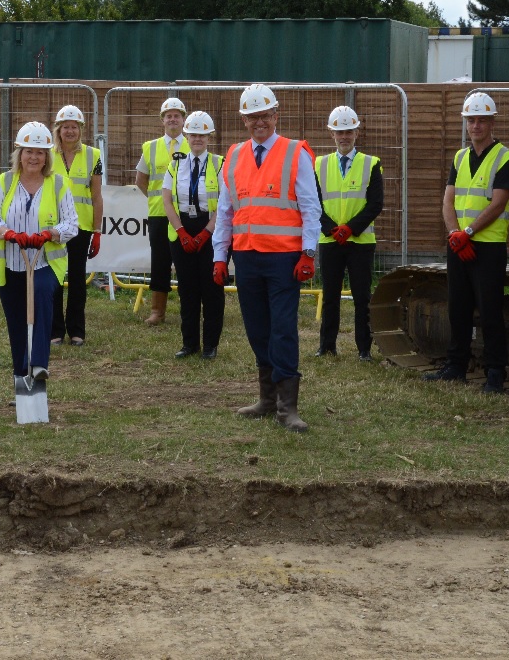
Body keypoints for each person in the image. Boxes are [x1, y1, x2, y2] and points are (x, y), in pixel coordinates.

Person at [213, 84, 321, 432]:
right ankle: (267, 398)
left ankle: (288, 407)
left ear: (276, 115)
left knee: (283, 330)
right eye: (252, 117)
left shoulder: (295, 153)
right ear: (244, 120)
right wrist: (219, 257)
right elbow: (225, 211)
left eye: (264, 115)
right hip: (246, 258)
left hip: (284, 260)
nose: (259, 122)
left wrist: (308, 252)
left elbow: (310, 207)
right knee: (257, 328)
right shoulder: (234, 155)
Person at [424, 91, 509, 392]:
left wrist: (467, 233)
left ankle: (495, 372)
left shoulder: (507, 159)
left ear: (492, 123)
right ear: (466, 123)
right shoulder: (460, 157)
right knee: (459, 307)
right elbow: (448, 200)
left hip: (488, 246)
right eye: (471, 120)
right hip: (459, 245)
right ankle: (456, 365)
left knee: (490, 309)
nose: (476, 126)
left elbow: (497, 204)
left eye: (482, 120)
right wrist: (455, 235)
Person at [0, 122, 79, 391]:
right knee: (16, 322)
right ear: (19, 154)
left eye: (40, 152)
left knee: (41, 296)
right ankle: (20, 378)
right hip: (10, 265)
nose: (34, 158)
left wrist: (50, 234)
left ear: (47, 156)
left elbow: (72, 223)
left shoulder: (59, 184)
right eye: (28, 152)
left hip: (46, 263)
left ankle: (38, 364)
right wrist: (9, 233)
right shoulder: (2, 182)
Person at [313, 105, 384, 361]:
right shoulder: (319, 164)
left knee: (361, 297)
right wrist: (332, 228)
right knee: (330, 295)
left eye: (349, 131)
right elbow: (313, 202)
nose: (344, 136)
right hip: (330, 239)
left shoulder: (371, 164)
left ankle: (364, 348)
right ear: (331, 134)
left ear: (356, 132)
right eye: (339, 132)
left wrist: (351, 228)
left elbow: (375, 204)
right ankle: (327, 346)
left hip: (360, 242)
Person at [162, 111, 225, 359]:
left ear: (209, 137)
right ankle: (189, 344)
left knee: (211, 290)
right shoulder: (175, 163)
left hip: (210, 231)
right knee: (187, 290)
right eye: (193, 135)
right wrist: (181, 232)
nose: (197, 139)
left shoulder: (219, 164)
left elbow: (224, 203)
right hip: (183, 229)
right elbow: (167, 200)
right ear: (186, 136)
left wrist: (205, 233)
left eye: (202, 135)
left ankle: (210, 345)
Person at [51, 104, 103, 346]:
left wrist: (97, 231)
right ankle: (54, 331)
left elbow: (96, 196)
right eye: (65, 127)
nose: (70, 131)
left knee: (77, 280)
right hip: (53, 228)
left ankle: (77, 331)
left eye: (74, 127)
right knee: (54, 279)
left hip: (81, 227)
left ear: (81, 129)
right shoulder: (47, 154)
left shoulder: (94, 155)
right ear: (58, 130)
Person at [135, 97, 189, 325]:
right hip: (159, 214)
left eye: (177, 115)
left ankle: (191, 307)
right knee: (160, 262)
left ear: (184, 120)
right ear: (162, 120)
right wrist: (160, 201)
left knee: (188, 262)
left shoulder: (194, 143)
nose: (173, 119)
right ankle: (158, 311)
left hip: (187, 214)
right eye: (169, 115)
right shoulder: (150, 147)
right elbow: (141, 181)